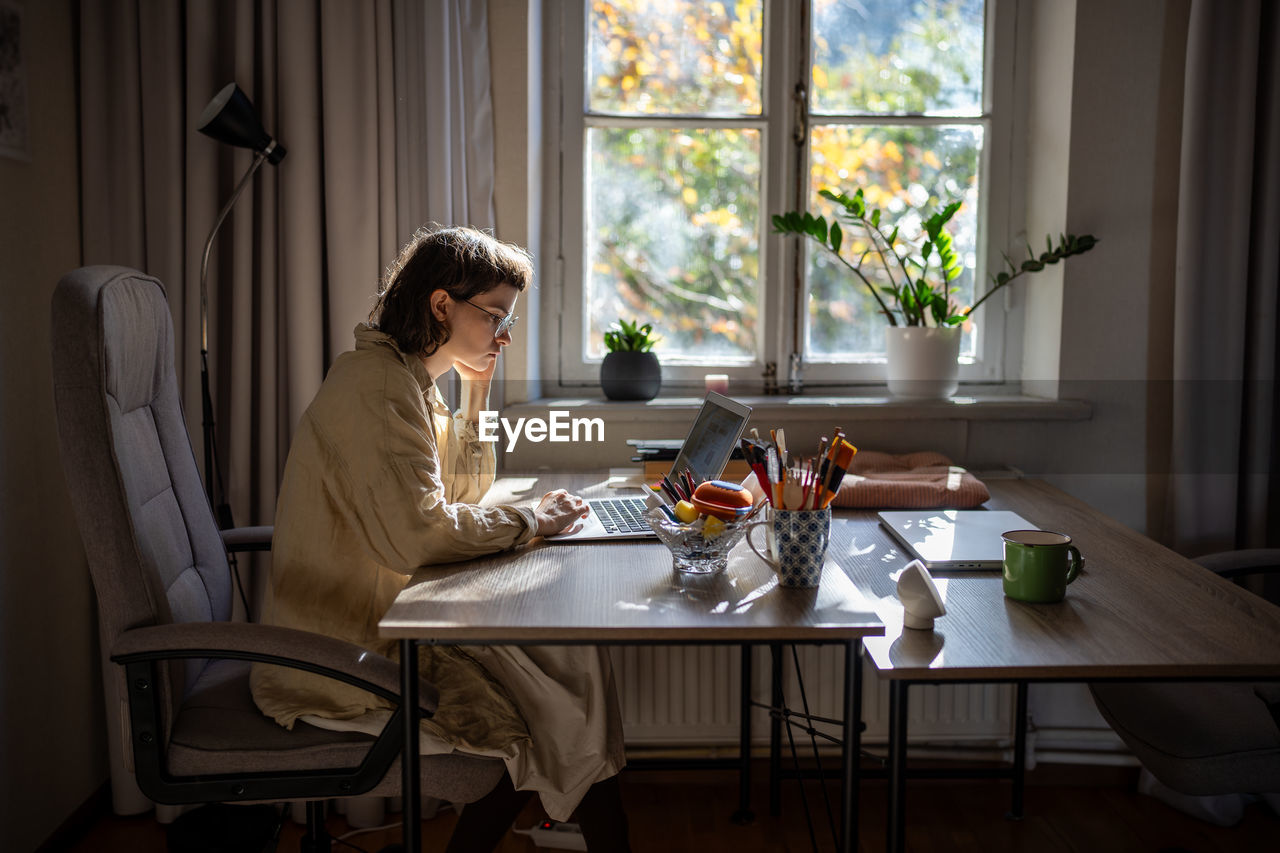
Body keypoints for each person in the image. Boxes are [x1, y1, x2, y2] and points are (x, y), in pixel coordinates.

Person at [250, 225, 630, 852]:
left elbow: (463, 489)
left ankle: (577, 807)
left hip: (389, 619)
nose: (504, 335)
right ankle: (592, 820)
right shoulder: (377, 388)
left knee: (570, 670)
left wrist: (477, 386)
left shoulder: (406, 379)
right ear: (440, 304)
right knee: (557, 697)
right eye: (495, 316)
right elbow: (421, 535)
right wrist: (532, 519)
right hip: (342, 654)